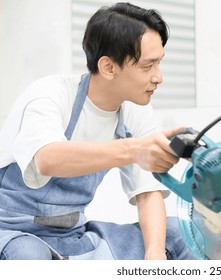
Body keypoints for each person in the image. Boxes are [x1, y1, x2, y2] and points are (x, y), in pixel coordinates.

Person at [0, 2, 194, 260]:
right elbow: (48, 159)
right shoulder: (49, 95)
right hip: (13, 232)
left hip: (74, 235)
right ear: (108, 67)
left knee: (179, 233)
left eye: (159, 64)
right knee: (29, 258)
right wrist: (135, 150)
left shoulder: (134, 110)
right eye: (148, 67)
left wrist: (155, 256)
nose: (159, 77)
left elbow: (147, 193)